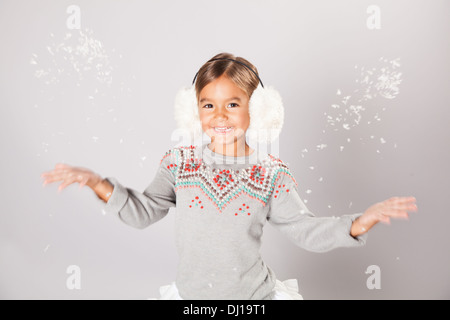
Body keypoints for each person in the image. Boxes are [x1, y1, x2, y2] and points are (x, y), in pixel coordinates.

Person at [41, 52, 417, 300]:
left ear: (258, 109)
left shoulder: (271, 173)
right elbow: (144, 211)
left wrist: (358, 223)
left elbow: (304, 228)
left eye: (233, 104)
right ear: (194, 111)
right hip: (194, 300)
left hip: (252, 300)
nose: (219, 116)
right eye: (209, 105)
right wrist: (97, 183)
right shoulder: (179, 163)